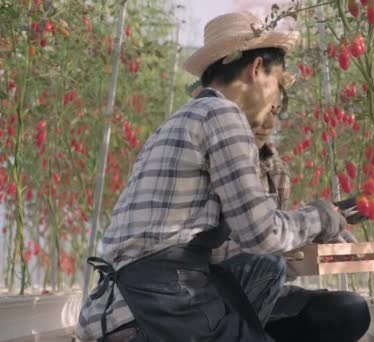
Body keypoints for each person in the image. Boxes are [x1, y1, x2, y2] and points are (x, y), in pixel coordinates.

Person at [77, 12, 352, 342]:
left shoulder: (182, 121)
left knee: (308, 292)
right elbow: (261, 233)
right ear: (256, 69)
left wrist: (311, 232)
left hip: (133, 301)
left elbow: (238, 248)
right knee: (290, 284)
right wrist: (322, 217)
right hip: (161, 302)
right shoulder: (223, 114)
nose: (274, 105)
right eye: (277, 83)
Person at [189, 72, 372, 341]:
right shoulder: (196, 160)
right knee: (267, 263)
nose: (267, 120)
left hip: (256, 297)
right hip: (204, 297)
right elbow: (235, 252)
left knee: (349, 311)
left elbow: (271, 259)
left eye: (275, 109)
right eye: (256, 107)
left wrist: (320, 247)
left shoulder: (277, 172)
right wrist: (310, 228)